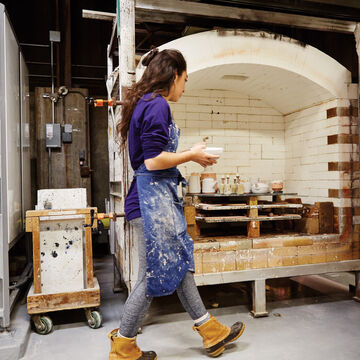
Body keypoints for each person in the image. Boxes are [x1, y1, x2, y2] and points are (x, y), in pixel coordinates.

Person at [108, 48, 245, 360]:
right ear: (173, 76)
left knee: (179, 265)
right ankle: (122, 348)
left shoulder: (145, 103)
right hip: (150, 204)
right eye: (185, 79)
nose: (185, 86)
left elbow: (149, 157)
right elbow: (155, 161)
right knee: (150, 278)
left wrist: (188, 152)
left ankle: (210, 332)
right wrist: (192, 155)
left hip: (152, 200)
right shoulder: (157, 105)